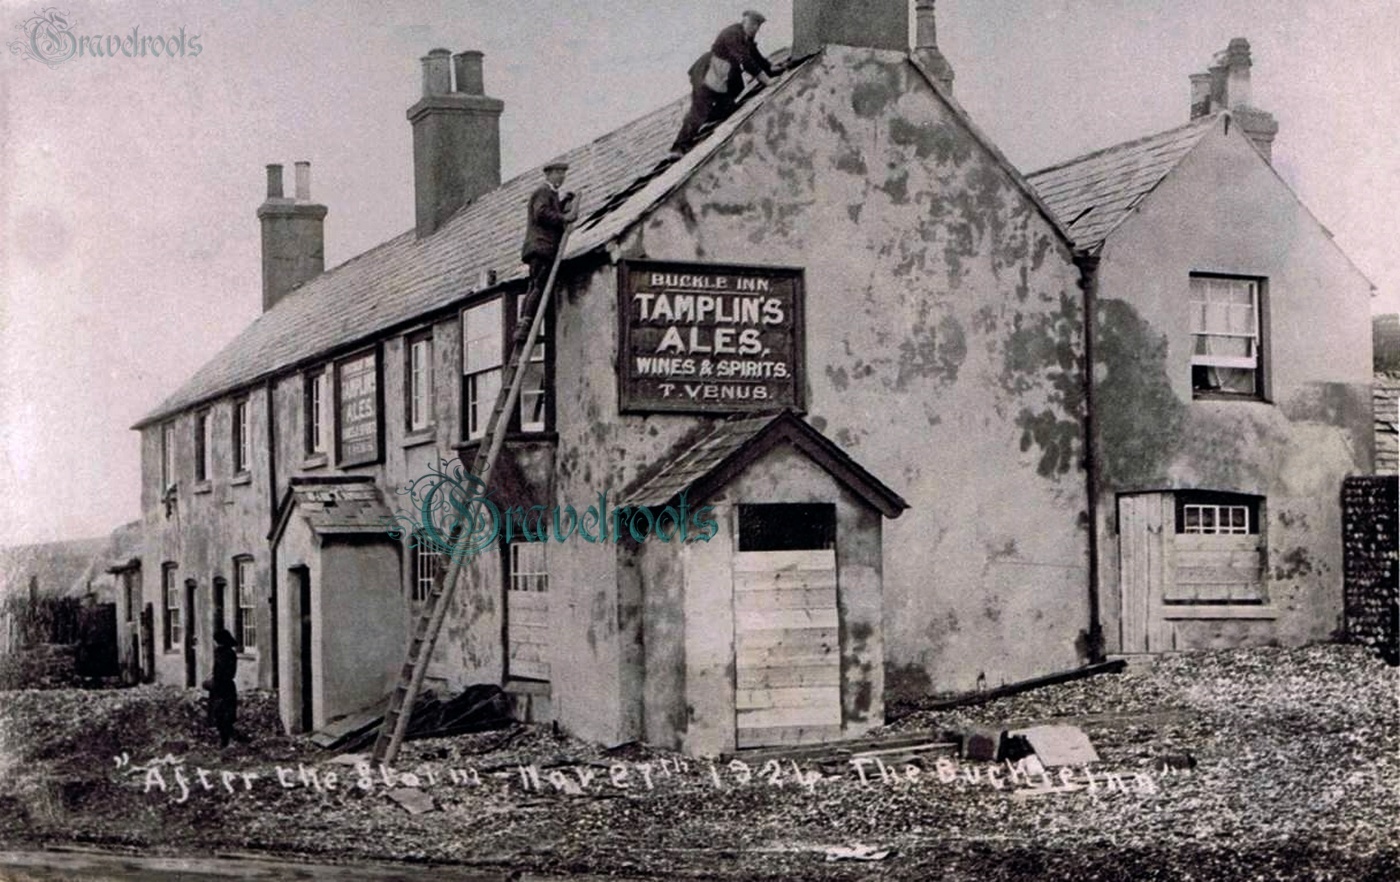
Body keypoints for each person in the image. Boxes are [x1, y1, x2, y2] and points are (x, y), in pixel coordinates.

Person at [669, 11, 786, 156]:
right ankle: (678, 147)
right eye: (753, 23)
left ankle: (699, 117)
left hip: (726, 74)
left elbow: (754, 54)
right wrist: (767, 81)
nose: (755, 28)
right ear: (744, 21)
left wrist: (769, 68)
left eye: (758, 25)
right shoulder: (732, 33)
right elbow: (745, 59)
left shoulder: (747, 37)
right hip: (708, 71)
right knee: (701, 107)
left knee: (730, 104)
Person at [519, 160, 578, 315]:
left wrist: (564, 201)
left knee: (534, 285)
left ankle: (523, 324)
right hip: (542, 247)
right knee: (538, 285)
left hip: (540, 248)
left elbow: (551, 210)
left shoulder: (551, 194)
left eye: (563, 174)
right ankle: (525, 324)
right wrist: (564, 218)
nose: (561, 177)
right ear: (548, 174)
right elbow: (542, 213)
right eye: (558, 173)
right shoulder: (543, 191)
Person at [206, 628, 240, 748]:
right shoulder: (229, 653)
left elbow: (222, 672)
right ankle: (228, 738)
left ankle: (225, 741)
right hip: (226, 686)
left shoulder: (222, 653)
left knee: (221, 714)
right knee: (224, 715)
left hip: (221, 687)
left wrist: (212, 683)